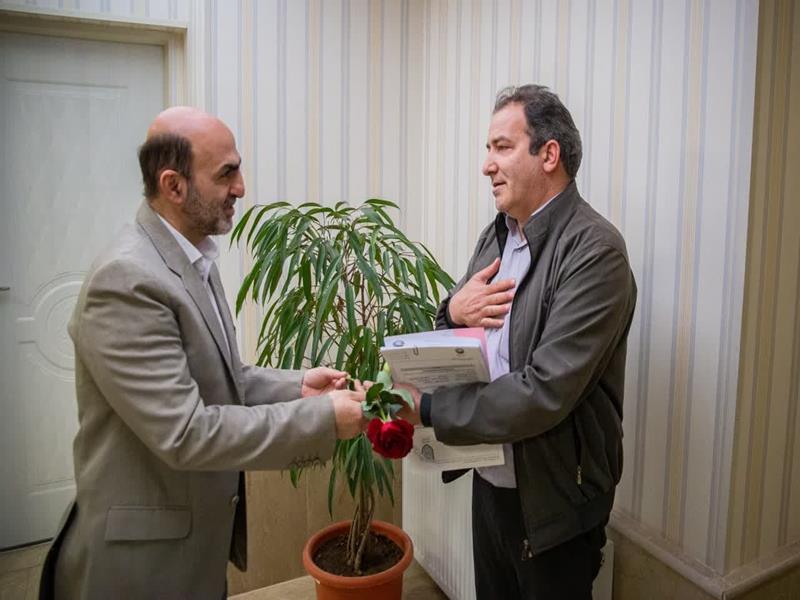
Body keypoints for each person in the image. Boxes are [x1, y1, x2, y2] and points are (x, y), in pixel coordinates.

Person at [39, 107, 366, 600]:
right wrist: (322, 419)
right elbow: (186, 432)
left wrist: (297, 387)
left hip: (191, 546)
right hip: (143, 564)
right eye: (226, 174)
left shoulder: (191, 259)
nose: (241, 188)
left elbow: (219, 376)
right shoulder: (127, 280)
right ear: (174, 186)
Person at [401, 85, 637, 599]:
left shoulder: (596, 252)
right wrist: (451, 311)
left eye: (502, 147)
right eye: (488, 149)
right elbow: (459, 336)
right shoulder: (497, 236)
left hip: (556, 503)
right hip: (490, 482)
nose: (487, 165)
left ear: (549, 155)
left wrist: (431, 409)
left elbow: (544, 390)